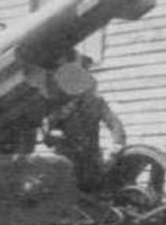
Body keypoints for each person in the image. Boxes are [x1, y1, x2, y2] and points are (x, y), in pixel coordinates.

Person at [42, 52, 127, 193]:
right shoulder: (58, 106)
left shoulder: (96, 102)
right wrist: (54, 135)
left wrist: (117, 144)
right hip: (66, 165)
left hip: (92, 163)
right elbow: (48, 138)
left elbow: (114, 123)